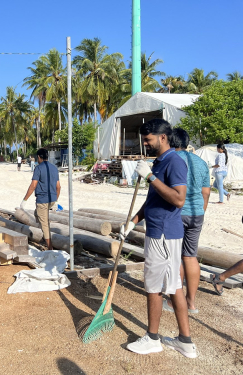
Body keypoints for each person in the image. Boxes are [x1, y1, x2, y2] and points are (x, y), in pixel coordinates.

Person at [120, 119, 197, 358]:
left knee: (154, 288)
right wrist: (133, 221)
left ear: (162, 137)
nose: (145, 143)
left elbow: (178, 199)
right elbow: (153, 200)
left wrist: (151, 177)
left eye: (148, 139)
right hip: (161, 231)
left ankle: (152, 338)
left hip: (163, 235)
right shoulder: (160, 161)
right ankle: (185, 341)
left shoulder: (174, 162)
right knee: (174, 287)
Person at [162, 128, 210, 314]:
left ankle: (175, 302)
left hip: (177, 213)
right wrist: (200, 211)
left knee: (175, 258)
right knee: (190, 256)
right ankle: (191, 303)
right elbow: (205, 192)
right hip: (197, 213)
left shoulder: (171, 159)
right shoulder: (200, 162)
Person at [20, 148, 61, 250]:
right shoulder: (54, 168)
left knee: (45, 225)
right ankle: (45, 236)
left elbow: (33, 185)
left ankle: (50, 248)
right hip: (51, 199)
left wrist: (24, 200)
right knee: (37, 213)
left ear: (39, 157)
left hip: (42, 200)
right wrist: (55, 200)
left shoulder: (38, 168)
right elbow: (58, 186)